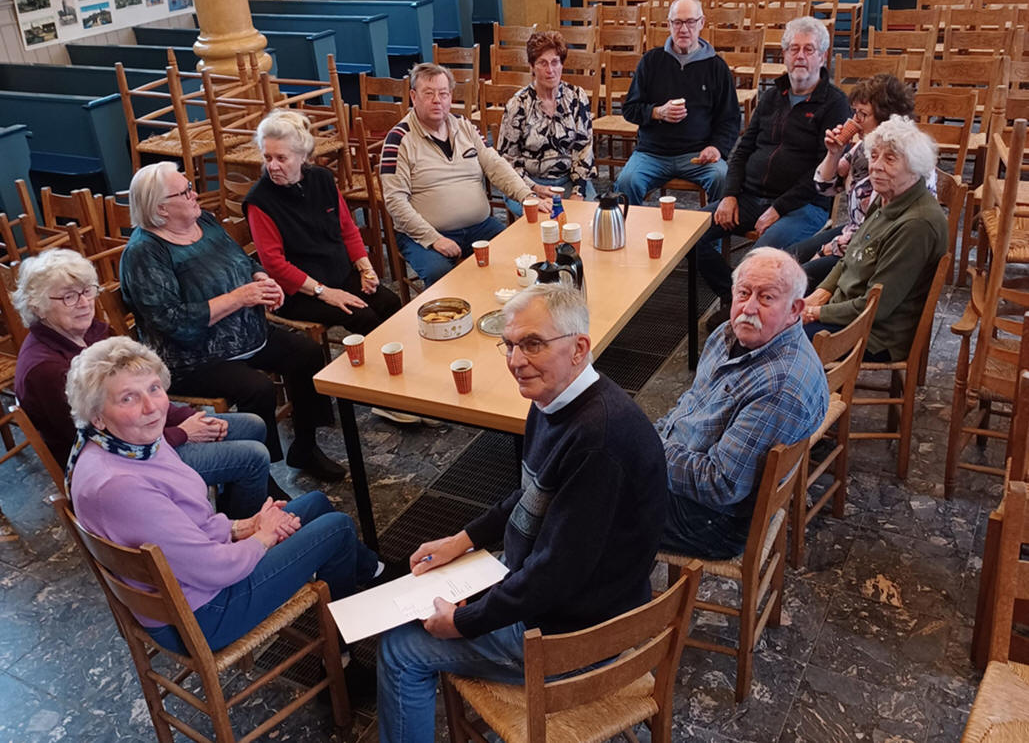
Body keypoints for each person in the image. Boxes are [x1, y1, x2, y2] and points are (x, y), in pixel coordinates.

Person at [376, 283, 668, 742]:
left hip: (571, 634)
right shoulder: (554, 399)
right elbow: (534, 493)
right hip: (572, 596)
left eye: (533, 344)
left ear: (579, 348)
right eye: (509, 345)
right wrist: (464, 539)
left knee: (400, 648)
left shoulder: (599, 439)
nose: (515, 361)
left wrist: (462, 622)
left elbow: (554, 576)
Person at [65, 336, 384, 666]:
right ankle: (342, 658)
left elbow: (188, 525)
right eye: (128, 398)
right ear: (97, 416)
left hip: (190, 585)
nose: (151, 407)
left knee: (315, 504)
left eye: (154, 389)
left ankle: (373, 572)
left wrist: (242, 526)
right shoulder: (120, 485)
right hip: (203, 615)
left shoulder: (122, 445)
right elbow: (214, 569)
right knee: (337, 528)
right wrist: (263, 536)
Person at [12, 248, 279, 518]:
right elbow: (98, 439)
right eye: (68, 297)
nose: (83, 303)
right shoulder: (45, 370)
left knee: (252, 425)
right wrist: (185, 432)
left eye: (87, 290)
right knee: (253, 457)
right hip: (123, 464)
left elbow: (143, 391)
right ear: (38, 307)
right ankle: (238, 539)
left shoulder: (92, 332)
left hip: (142, 432)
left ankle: (230, 514)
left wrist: (188, 417)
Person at [119, 162, 344, 480]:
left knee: (306, 353)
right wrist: (241, 297)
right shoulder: (145, 253)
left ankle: (305, 447)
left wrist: (262, 279)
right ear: (160, 208)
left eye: (190, 186)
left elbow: (243, 260)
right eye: (185, 192)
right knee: (257, 388)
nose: (194, 194)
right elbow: (173, 321)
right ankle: (257, 475)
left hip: (247, 335)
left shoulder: (205, 222)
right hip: (192, 358)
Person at [658, 247, 828, 558]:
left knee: (582, 503)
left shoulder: (780, 387)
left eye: (766, 298)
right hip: (684, 469)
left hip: (713, 521)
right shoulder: (729, 334)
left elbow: (720, 485)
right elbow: (692, 403)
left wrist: (647, 450)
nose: (748, 307)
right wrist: (648, 437)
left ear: (795, 309)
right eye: (744, 292)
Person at [696, 16, 851, 327]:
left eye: (809, 49)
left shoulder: (834, 104)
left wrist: (778, 209)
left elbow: (821, 173)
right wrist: (729, 196)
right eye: (794, 49)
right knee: (691, 236)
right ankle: (733, 297)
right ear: (784, 56)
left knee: (757, 262)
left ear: (822, 57)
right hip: (751, 196)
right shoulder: (771, 96)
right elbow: (742, 150)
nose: (801, 56)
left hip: (802, 207)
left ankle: (744, 311)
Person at [380, 62, 548, 286]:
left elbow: (495, 165)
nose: (437, 100)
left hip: (479, 225)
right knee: (441, 274)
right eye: (428, 93)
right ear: (413, 96)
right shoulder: (398, 139)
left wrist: (527, 196)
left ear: (451, 96)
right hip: (426, 234)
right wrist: (434, 239)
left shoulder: (465, 126)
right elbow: (395, 202)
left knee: (516, 254)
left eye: (443, 93)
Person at [802, 115, 948, 363]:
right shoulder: (885, 197)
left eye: (890, 159)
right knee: (768, 319)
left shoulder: (917, 225)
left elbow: (876, 307)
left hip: (874, 335)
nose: (876, 166)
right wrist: (818, 296)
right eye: (874, 156)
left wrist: (815, 313)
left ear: (915, 167)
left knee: (775, 341)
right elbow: (848, 258)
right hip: (848, 311)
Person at [245, 109, 401, 334]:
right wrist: (325, 292)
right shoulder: (259, 202)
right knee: (363, 317)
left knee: (391, 303)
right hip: (297, 291)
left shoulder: (322, 178)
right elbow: (274, 265)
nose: (272, 166)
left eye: (281, 158)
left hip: (338, 273)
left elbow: (347, 229)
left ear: (303, 157)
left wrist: (366, 269)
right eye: (267, 157)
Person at [790, 74, 922, 290]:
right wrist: (834, 153)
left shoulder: (900, 160)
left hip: (872, 252)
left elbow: (879, 230)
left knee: (796, 278)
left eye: (863, 114)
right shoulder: (863, 146)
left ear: (886, 118)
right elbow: (825, 187)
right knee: (789, 257)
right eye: (855, 112)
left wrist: (828, 249)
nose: (855, 121)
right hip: (854, 230)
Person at [615, 0, 740, 206]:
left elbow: (730, 118)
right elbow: (630, 109)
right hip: (652, 153)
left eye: (690, 22)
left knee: (722, 178)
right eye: (677, 22)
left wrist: (717, 148)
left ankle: (710, 239)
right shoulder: (651, 61)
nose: (684, 29)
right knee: (627, 182)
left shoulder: (716, 66)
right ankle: (633, 236)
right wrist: (657, 112)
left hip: (698, 154)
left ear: (701, 23)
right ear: (668, 24)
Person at [496, 30, 597, 216]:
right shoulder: (518, 105)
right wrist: (533, 188)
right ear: (532, 67)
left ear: (561, 64)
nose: (550, 70)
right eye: (543, 63)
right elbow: (507, 161)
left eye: (555, 62)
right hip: (527, 184)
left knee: (584, 216)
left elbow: (584, 149)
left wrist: (578, 193)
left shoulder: (577, 97)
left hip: (569, 180)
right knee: (545, 219)